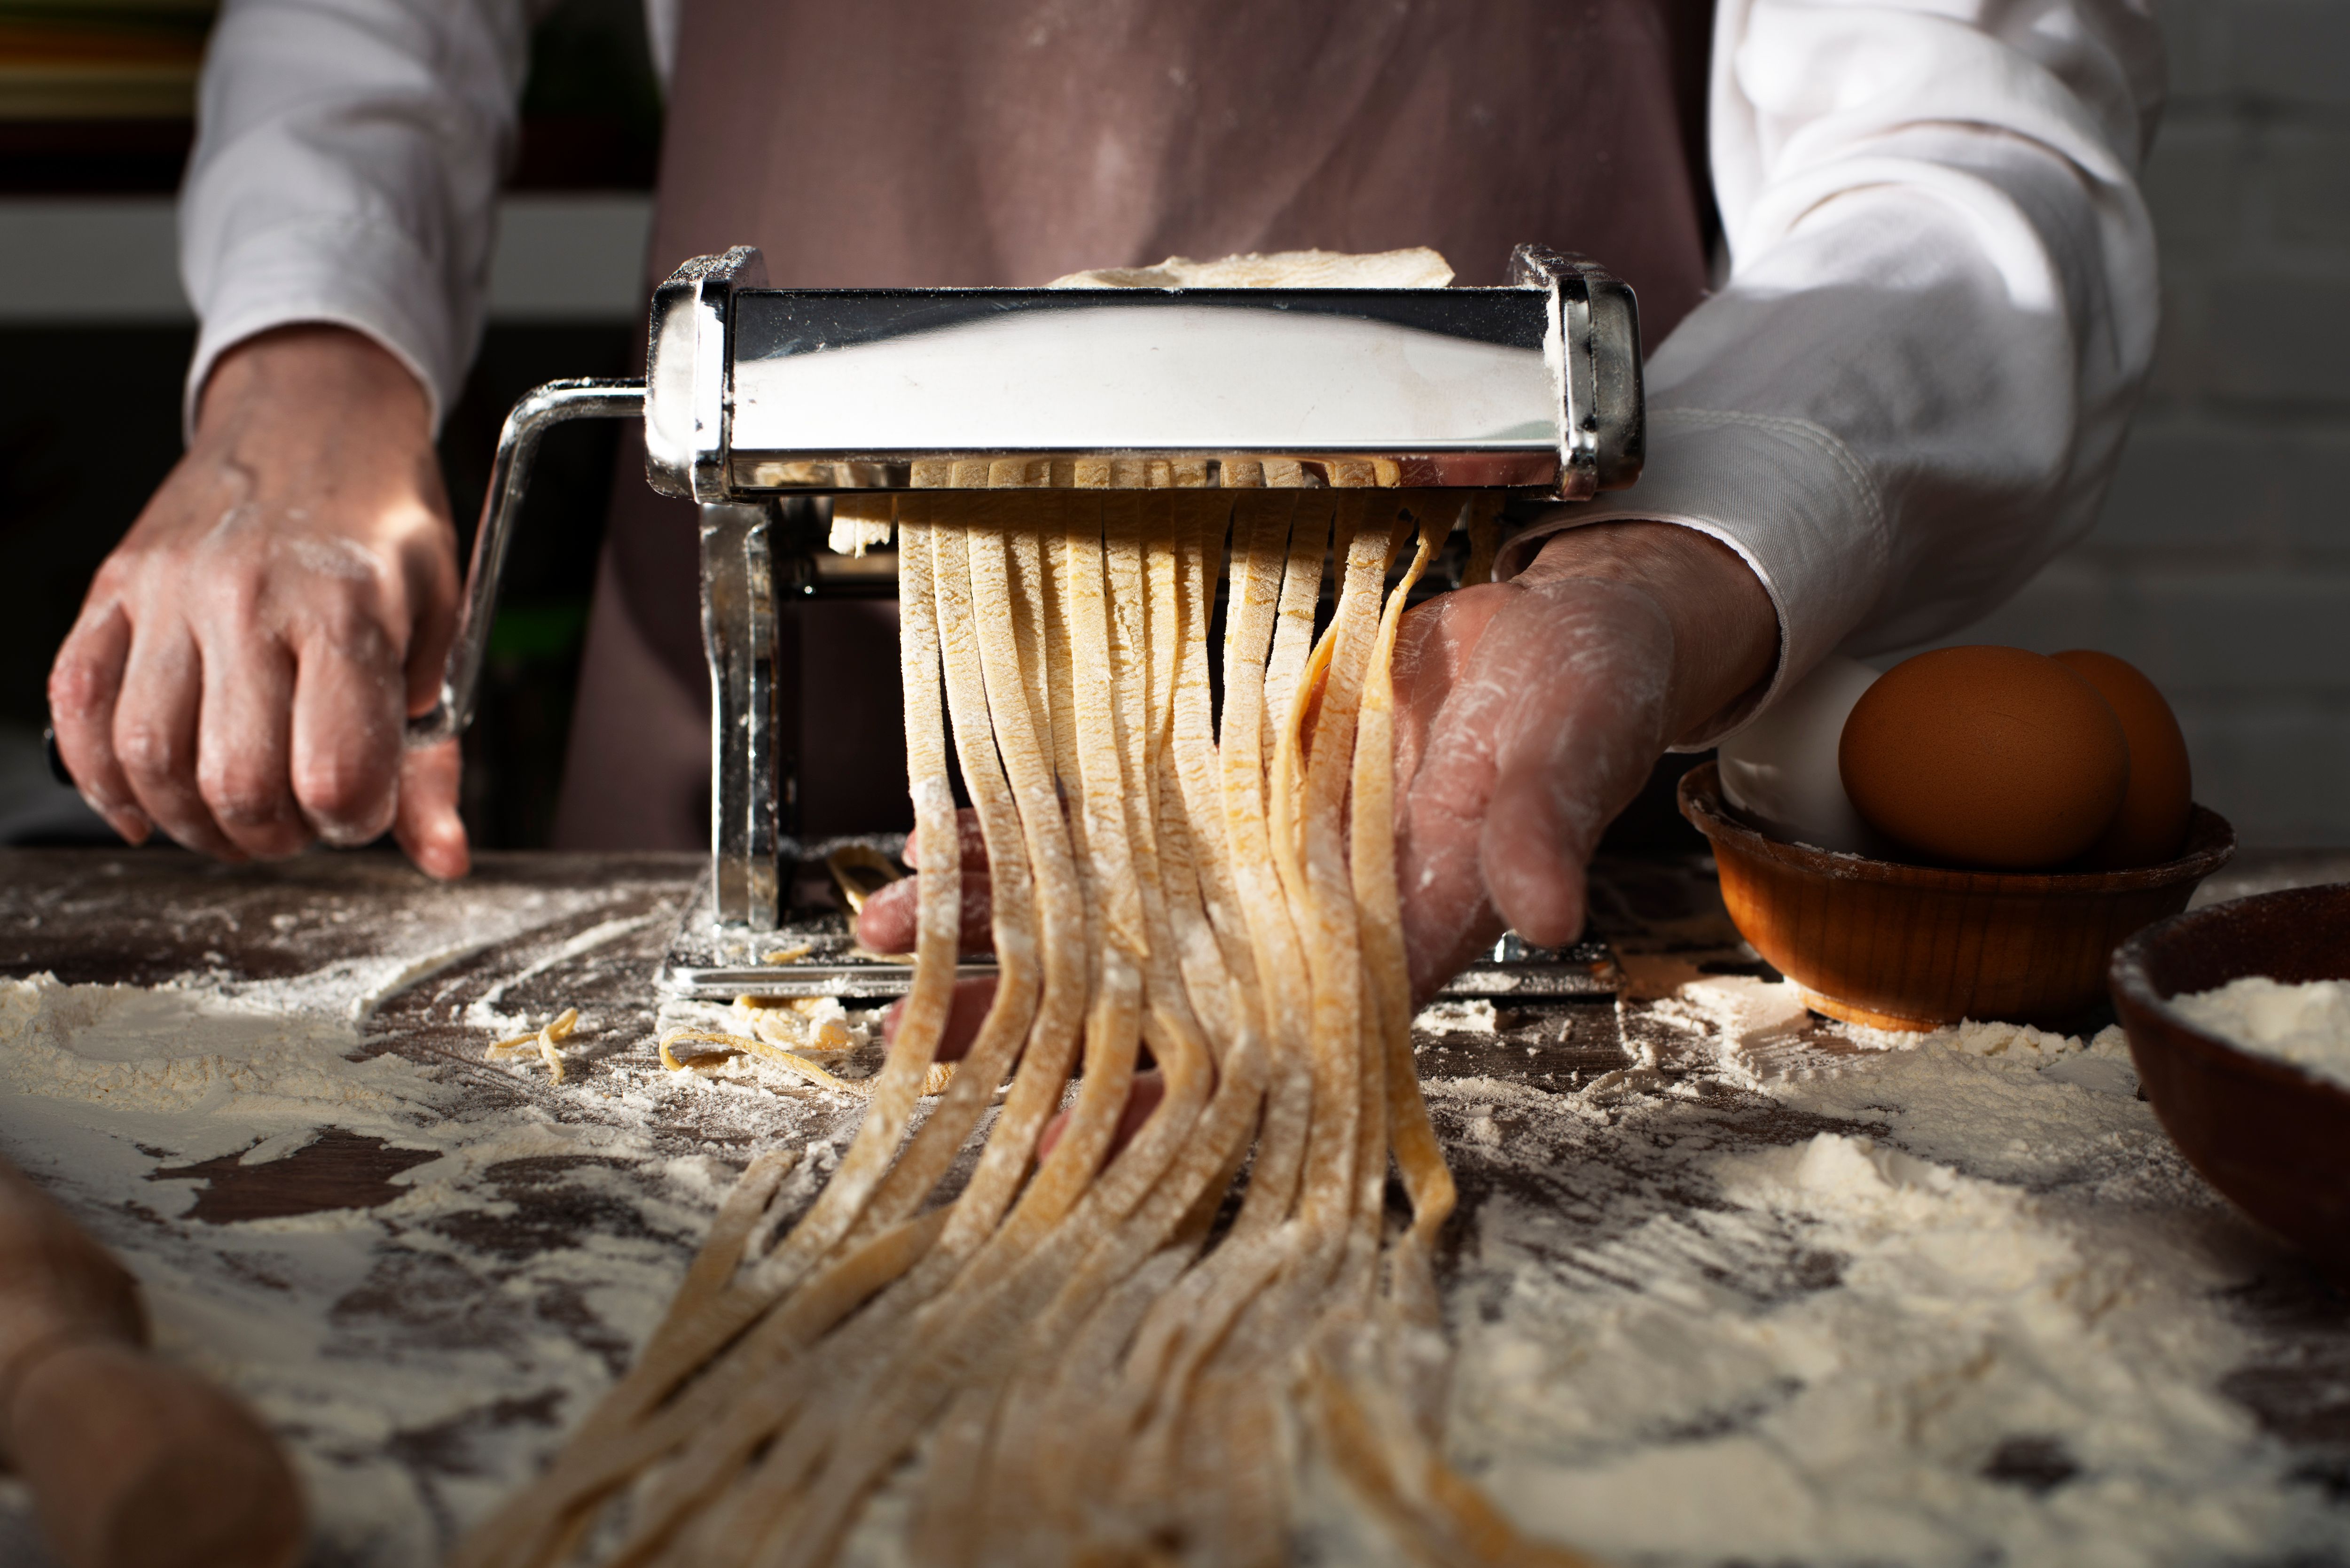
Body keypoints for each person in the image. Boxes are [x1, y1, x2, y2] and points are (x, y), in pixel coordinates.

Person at [49, 0, 2163, 993]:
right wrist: (308, 362)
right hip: (756, 795)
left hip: (1498, 844)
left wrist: (1639, 580)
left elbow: (1958, 161)